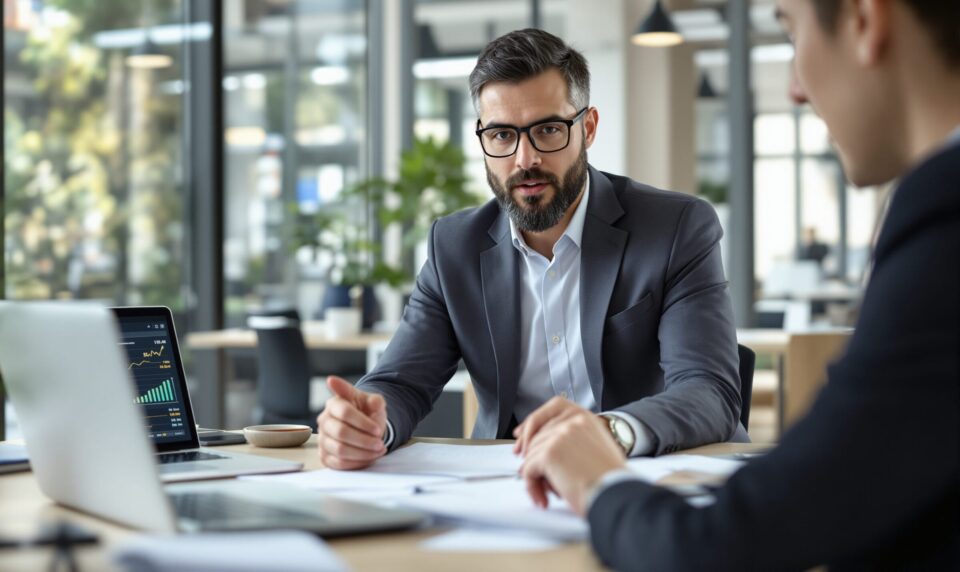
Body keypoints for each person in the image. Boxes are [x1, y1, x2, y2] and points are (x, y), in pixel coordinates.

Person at [518, 0, 960, 569]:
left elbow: (735, 542)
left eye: (792, 33)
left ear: (863, 21)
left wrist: (600, 484)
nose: (796, 89)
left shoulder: (944, 222)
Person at [316, 28, 745, 471]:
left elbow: (708, 390)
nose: (525, 159)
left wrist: (611, 432)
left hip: (657, 476)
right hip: (510, 484)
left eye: (547, 130)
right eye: (502, 135)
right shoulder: (454, 247)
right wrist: (365, 424)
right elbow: (400, 382)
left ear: (588, 128)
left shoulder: (675, 228)